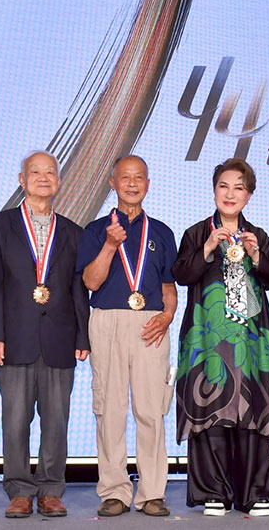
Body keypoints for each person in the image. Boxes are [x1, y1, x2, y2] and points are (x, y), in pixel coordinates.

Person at [172, 159, 269, 517]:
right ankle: (214, 491)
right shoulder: (196, 233)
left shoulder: (259, 234)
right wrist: (208, 247)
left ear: (249, 195)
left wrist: (257, 254)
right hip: (208, 338)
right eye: (224, 186)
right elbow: (182, 273)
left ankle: (255, 492)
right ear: (214, 191)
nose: (230, 194)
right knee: (212, 409)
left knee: (254, 409)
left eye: (238, 188)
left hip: (252, 340)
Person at [0, 151, 90, 518]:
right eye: (35, 172)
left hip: (59, 339)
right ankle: (20, 490)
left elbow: (78, 289)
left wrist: (82, 337)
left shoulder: (73, 231)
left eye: (50, 172)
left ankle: (51, 489)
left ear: (59, 181)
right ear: (22, 179)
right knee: (15, 420)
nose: (44, 177)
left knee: (56, 421)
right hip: (14, 339)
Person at [76, 155, 177, 517]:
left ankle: (152, 492)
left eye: (139, 178)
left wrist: (167, 316)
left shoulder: (162, 232)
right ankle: (114, 491)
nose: (132, 184)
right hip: (108, 322)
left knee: (151, 410)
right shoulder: (95, 230)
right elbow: (90, 282)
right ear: (112, 183)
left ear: (148, 184)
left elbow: (169, 286)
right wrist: (109, 245)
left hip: (152, 323)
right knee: (111, 410)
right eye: (125, 178)